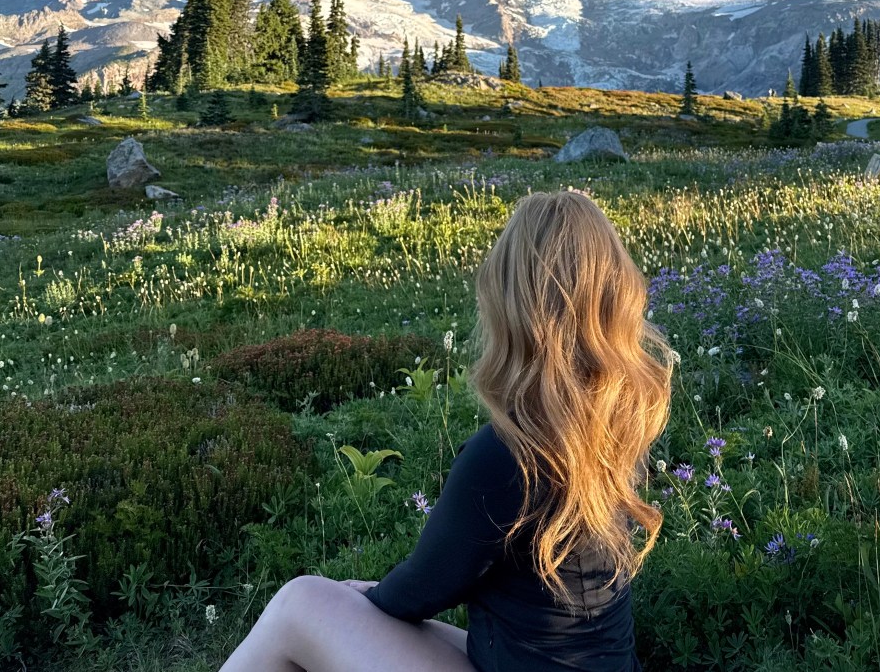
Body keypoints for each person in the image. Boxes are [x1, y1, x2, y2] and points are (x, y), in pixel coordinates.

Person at [220, 189, 673, 672]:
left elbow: (422, 591)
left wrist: (364, 595)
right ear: (614, 297)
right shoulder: (614, 428)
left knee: (300, 604)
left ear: (513, 305)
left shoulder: (509, 455)